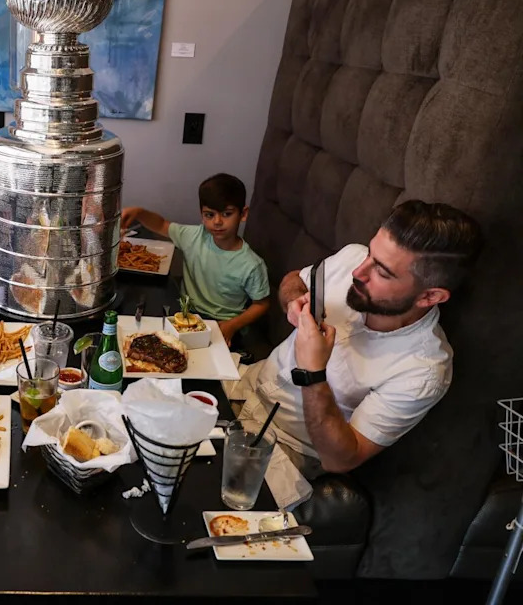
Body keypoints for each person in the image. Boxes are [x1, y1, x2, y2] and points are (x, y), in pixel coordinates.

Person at [233, 200, 483, 484]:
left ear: (430, 297)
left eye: (383, 272)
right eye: (371, 253)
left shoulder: (424, 370)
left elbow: (341, 459)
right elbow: (295, 280)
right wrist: (292, 301)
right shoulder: (354, 257)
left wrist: (313, 374)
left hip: (285, 447)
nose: (358, 272)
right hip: (243, 386)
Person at [121, 173, 271, 348]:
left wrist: (233, 325)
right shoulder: (194, 237)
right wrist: (139, 213)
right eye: (209, 215)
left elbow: (261, 304)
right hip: (185, 314)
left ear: (243, 214)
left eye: (226, 214)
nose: (217, 222)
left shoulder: (252, 264)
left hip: (224, 324)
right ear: (201, 215)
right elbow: (162, 225)